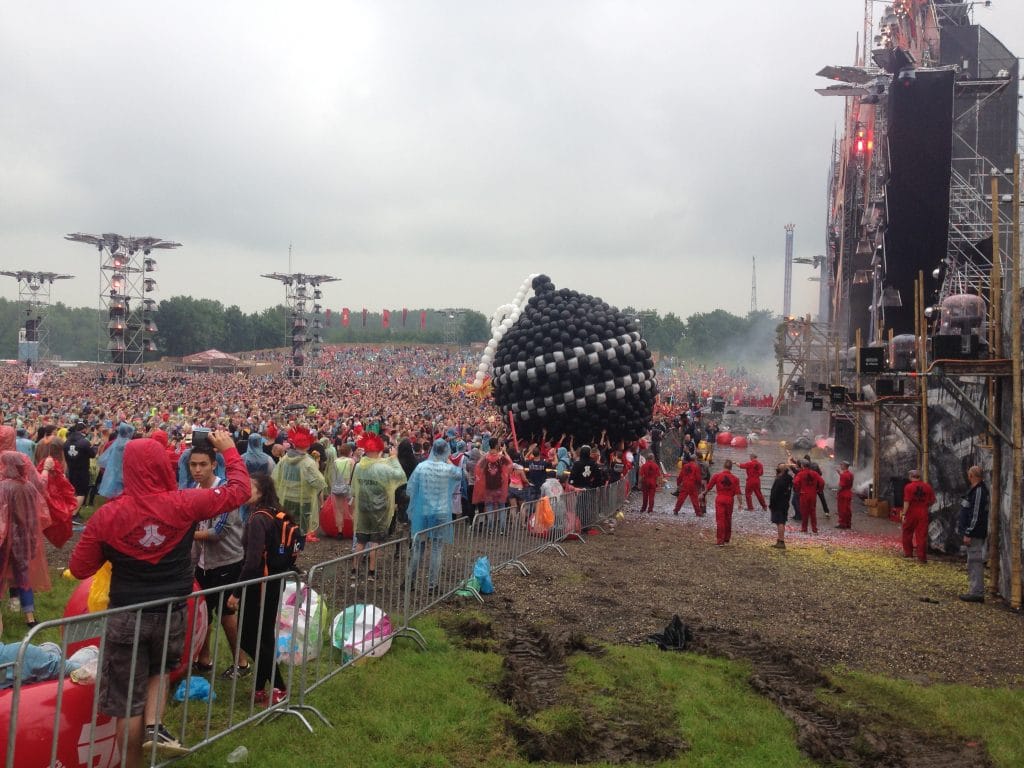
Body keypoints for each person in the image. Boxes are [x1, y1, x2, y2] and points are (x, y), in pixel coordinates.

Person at [69, 429, 249, 764]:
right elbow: (239, 491)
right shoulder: (183, 502)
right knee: (160, 671)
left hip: (127, 613)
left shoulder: (108, 515)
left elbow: (80, 568)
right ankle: (154, 727)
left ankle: (131, 762)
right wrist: (229, 451)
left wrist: (115, 549)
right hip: (171, 610)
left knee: (126, 703)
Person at [188, 445, 251, 680]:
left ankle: (241, 662)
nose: (197, 469)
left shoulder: (225, 491)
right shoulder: (194, 490)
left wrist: (187, 534)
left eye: (203, 464)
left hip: (227, 561)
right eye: (193, 464)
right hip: (202, 563)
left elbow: (218, 531)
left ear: (214, 464)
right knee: (202, 612)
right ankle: (203, 659)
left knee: (227, 614)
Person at [227, 474, 290, 706]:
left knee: (247, 637)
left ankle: (279, 686)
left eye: (249, 487)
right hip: (274, 581)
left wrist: (236, 593)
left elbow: (252, 561)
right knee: (264, 636)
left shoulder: (257, 519)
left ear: (261, 492)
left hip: (258, 584)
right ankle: (260, 688)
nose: (244, 491)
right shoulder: (275, 512)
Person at [0, 427, 52, 632]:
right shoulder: (28, 486)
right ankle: (29, 616)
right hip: (24, 537)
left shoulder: (3, 487)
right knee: (23, 574)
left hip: (5, 536)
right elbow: (39, 509)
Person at [406, 439, 463, 593]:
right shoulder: (447, 469)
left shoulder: (421, 467)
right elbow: (459, 475)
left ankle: (410, 582)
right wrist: (449, 461)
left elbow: (410, 488)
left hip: (423, 511)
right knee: (437, 548)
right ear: (445, 451)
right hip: (441, 512)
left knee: (418, 547)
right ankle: (432, 585)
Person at [350, 432, 406, 581]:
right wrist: (393, 458)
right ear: (378, 450)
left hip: (363, 507)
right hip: (379, 508)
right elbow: (400, 476)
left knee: (361, 540)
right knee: (375, 541)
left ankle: (354, 570)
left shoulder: (359, 466)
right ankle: (371, 572)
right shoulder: (383, 468)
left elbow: (354, 488)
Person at [272, 426, 326, 542]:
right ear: (308, 445)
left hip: (286, 499)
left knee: (287, 527)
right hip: (303, 501)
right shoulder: (308, 462)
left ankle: (287, 546)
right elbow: (320, 483)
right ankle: (296, 547)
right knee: (301, 530)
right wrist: (316, 466)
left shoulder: (285, 459)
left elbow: (275, 478)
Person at [958, 465, 989, 603]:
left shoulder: (979, 491)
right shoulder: (976, 490)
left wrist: (968, 532)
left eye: (969, 475)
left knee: (975, 561)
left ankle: (976, 592)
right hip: (974, 532)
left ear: (971, 476)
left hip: (975, 533)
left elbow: (975, 514)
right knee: (972, 561)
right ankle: (974, 590)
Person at [473, 441, 513, 532]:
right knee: (501, 507)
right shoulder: (501, 457)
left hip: (488, 487)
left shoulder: (485, 457)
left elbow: (478, 468)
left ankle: (490, 529)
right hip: (500, 487)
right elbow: (510, 465)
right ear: (496, 445)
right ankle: (502, 529)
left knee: (489, 507)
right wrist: (505, 452)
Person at [63, 420, 95, 522]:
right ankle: (74, 514)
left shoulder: (66, 442)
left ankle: (71, 511)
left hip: (71, 470)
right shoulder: (84, 442)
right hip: (82, 470)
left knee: (73, 492)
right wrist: (93, 446)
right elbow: (92, 454)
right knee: (81, 493)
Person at [901, 469, 935, 563]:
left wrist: (903, 514)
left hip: (911, 512)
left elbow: (907, 501)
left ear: (910, 476)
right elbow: (932, 500)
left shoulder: (908, 487)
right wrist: (925, 505)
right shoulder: (928, 486)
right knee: (921, 535)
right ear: (920, 477)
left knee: (907, 532)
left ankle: (908, 553)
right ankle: (922, 557)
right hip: (923, 512)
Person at [703, 459, 740, 546]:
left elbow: (709, 487)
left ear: (723, 466)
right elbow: (738, 493)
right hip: (730, 500)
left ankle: (720, 541)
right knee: (728, 519)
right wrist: (740, 503)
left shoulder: (717, 476)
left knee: (720, 520)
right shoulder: (735, 479)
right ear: (731, 468)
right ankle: (727, 538)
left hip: (720, 498)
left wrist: (703, 494)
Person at [793, 460, 824, 534]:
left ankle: (804, 528)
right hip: (813, 494)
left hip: (804, 494)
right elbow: (822, 482)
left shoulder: (800, 474)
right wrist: (819, 490)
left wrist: (798, 490)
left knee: (804, 512)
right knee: (813, 512)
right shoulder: (815, 473)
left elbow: (795, 482)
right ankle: (814, 529)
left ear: (802, 465)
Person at [768, 463, 793, 549]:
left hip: (778, 503)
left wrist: (771, 504)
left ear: (780, 470)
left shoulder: (780, 480)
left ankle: (781, 541)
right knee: (782, 521)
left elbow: (775, 493)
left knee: (780, 522)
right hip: (785, 502)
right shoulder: (789, 478)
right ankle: (779, 540)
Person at [836, 461, 854, 529]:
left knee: (842, 509)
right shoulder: (851, 474)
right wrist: (839, 473)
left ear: (844, 466)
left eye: (841, 465)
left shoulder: (844, 475)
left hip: (843, 494)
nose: (840, 466)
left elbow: (841, 486)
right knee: (848, 509)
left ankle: (842, 523)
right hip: (848, 492)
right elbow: (847, 480)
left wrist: (837, 492)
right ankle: (848, 523)